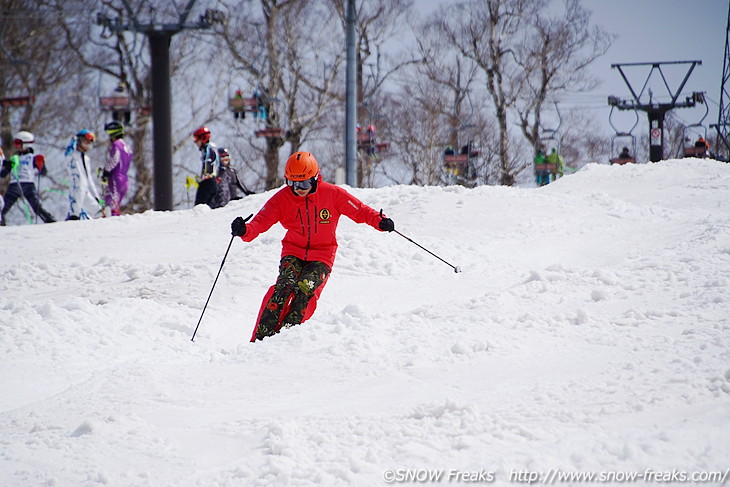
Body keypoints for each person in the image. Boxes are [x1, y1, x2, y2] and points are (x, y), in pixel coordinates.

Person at [230, 151, 395, 341]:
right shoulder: (282, 198)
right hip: (293, 251)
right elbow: (260, 222)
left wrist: (379, 221)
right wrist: (244, 230)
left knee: (305, 288)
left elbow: (360, 210)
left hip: (322, 255)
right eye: (293, 183)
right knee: (284, 287)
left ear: (315, 178)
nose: (299, 189)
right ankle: (261, 336)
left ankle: (286, 336)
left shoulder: (332, 194)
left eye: (305, 183)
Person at [0, 131, 55, 225]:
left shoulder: (32, 157)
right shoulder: (14, 157)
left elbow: (43, 172)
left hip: (27, 185)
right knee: (3, 207)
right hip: (14, 185)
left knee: (36, 206)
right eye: (15, 143)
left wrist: (41, 164)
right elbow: (3, 174)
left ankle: (50, 221)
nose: (15, 146)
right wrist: (6, 165)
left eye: (18, 143)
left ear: (26, 144)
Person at [65, 129, 103, 220]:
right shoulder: (73, 155)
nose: (88, 145)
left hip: (85, 190)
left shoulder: (86, 159)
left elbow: (89, 178)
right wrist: (73, 141)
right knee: (75, 214)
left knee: (99, 212)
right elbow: (67, 154)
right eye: (85, 142)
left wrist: (96, 196)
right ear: (79, 141)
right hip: (76, 189)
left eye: (89, 143)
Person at [100, 121, 133, 216]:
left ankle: (111, 225)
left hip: (116, 178)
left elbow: (115, 159)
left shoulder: (116, 144)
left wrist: (106, 171)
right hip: (125, 179)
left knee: (111, 206)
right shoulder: (127, 146)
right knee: (116, 205)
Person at [192, 126, 221, 208]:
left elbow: (208, 164)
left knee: (199, 207)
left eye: (196, 139)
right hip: (213, 182)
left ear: (203, 138)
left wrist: (203, 177)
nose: (195, 142)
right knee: (210, 206)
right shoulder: (213, 148)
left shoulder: (207, 149)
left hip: (207, 182)